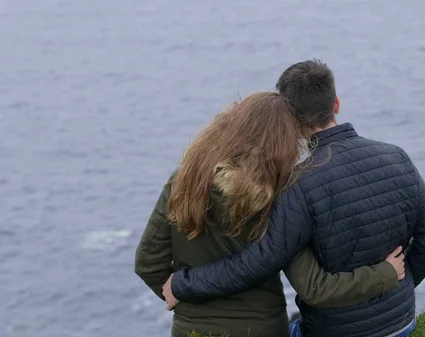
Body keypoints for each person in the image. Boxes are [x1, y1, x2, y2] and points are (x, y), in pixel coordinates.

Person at [164, 60, 425, 337]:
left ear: (288, 119)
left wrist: (183, 284)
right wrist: (401, 284)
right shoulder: (396, 156)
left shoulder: (297, 184)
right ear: (335, 103)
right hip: (401, 323)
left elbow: (259, 262)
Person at [134, 92, 407, 337]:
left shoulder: (182, 182)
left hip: (191, 329)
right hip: (262, 328)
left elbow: (147, 263)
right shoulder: (280, 196)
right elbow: (315, 287)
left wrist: (179, 295)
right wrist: (384, 273)